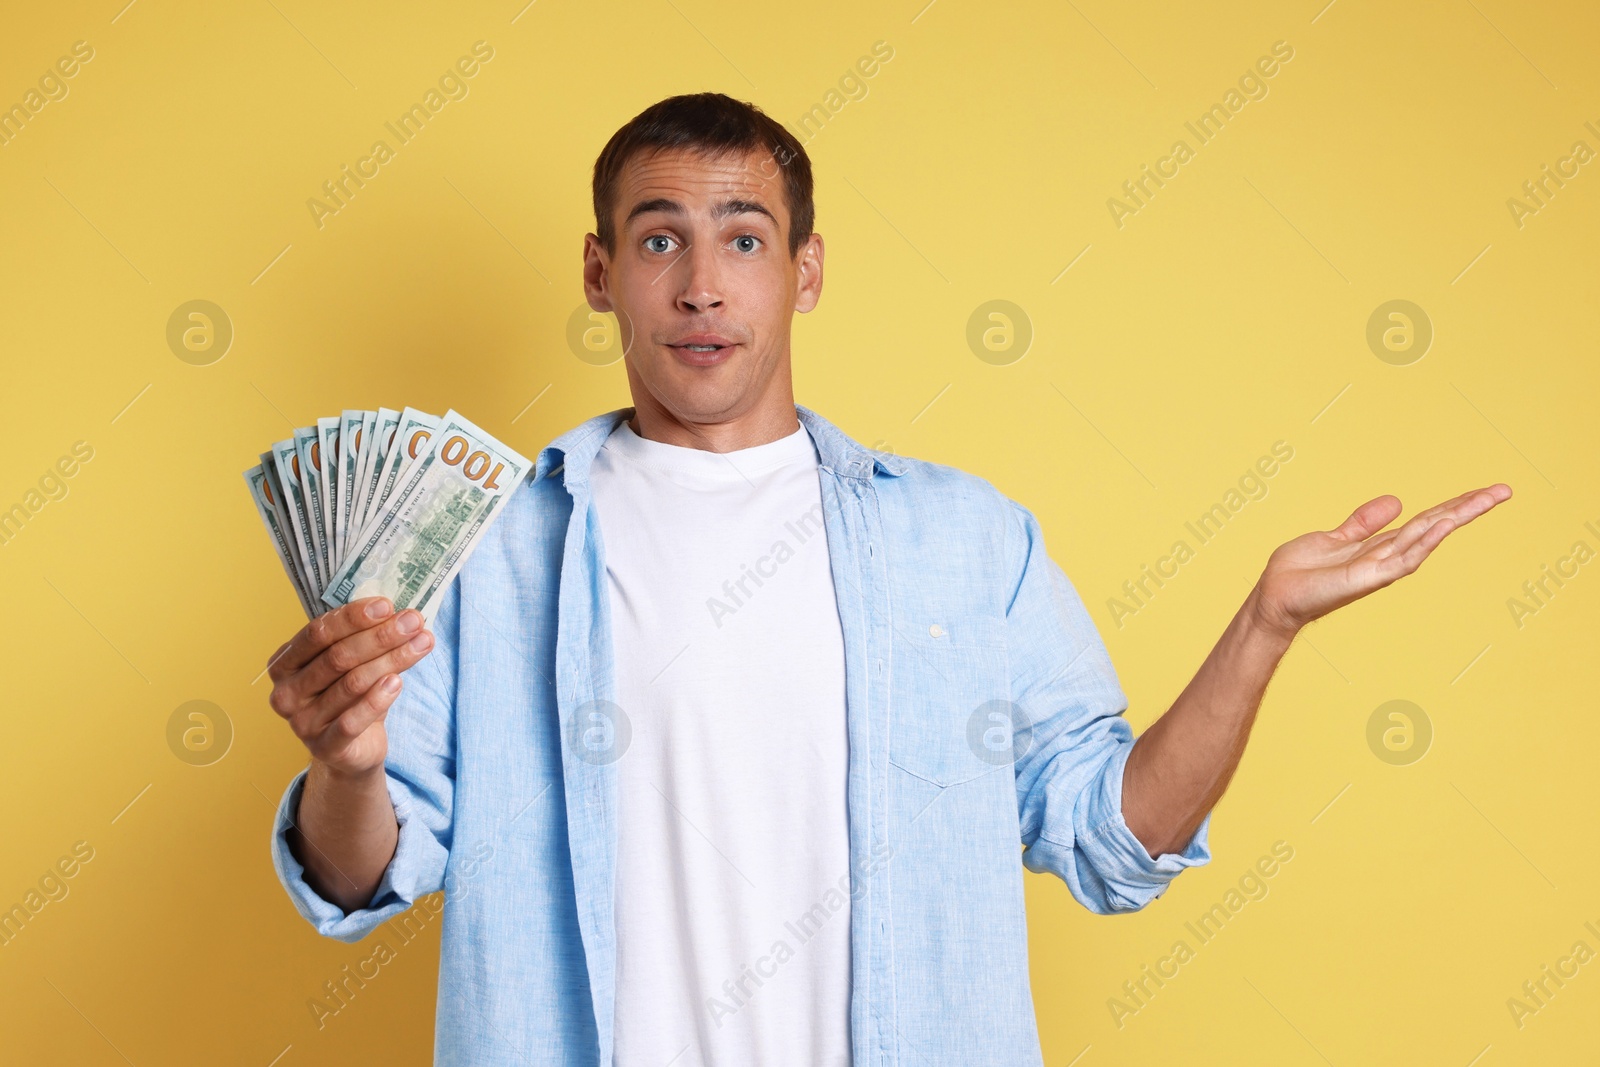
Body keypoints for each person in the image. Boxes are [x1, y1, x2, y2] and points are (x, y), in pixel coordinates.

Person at [264, 92, 1510, 1066]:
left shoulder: (965, 541)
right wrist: (349, 763)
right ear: (601, 273)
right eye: (660, 240)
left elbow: (1114, 838)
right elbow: (362, 872)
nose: (701, 283)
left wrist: (1261, 628)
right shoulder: (486, 549)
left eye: (742, 239)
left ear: (804, 270)